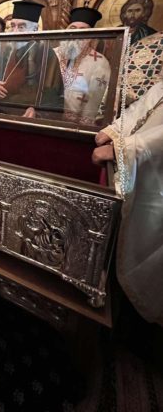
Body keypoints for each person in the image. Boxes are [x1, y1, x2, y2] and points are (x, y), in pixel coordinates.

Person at [92, 76, 163, 326]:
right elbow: (149, 101)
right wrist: (114, 130)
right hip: (135, 170)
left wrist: (122, 148)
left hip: (153, 179)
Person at [0, 1, 64, 117]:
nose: (15, 32)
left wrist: (37, 111)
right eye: (12, 26)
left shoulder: (46, 53)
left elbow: (53, 94)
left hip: (27, 117)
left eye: (21, 27)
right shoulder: (6, 50)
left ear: (35, 29)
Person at [54, 7, 111, 125]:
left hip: (76, 126)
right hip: (47, 118)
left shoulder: (100, 62)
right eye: (73, 28)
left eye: (83, 30)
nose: (77, 34)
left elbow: (95, 100)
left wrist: (82, 127)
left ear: (90, 36)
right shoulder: (54, 54)